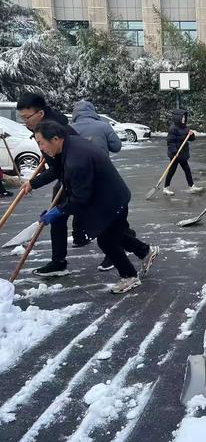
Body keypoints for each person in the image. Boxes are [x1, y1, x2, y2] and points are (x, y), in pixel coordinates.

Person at [34, 120, 160, 294]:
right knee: (114, 233)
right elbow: (61, 174)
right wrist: (35, 185)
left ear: (55, 139)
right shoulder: (70, 144)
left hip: (111, 201)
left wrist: (59, 211)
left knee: (107, 240)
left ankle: (129, 276)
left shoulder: (76, 159)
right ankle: (145, 251)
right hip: (109, 197)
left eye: (41, 142)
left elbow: (80, 198)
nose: (40, 148)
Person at [17, 92, 89, 276]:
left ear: (40, 114)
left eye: (27, 117)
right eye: (22, 117)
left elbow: (57, 169)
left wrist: (34, 183)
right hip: (69, 174)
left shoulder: (50, 129)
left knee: (99, 216)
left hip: (78, 176)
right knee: (61, 217)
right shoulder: (47, 124)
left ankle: (137, 247)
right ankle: (58, 261)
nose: (24, 121)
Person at [71, 99, 129, 272]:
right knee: (109, 215)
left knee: (87, 209)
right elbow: (116, 146)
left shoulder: (70, 128)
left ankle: (79, 236)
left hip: (79, 178)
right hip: (104, 176)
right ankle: (115, 250)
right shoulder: (103, 126)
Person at [163, 108, 203, 196]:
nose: (184, 119)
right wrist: (174, 152)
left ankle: (191, 186)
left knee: (187, 170)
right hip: (175, 154)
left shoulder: (185, 128)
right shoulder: (173, 129)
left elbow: (191, 139)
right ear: (178, 118)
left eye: (185, 117)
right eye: (182, 117)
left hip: (183, 153)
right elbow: (170, 142)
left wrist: (191, 135)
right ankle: (166, 188)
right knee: (172, 171)